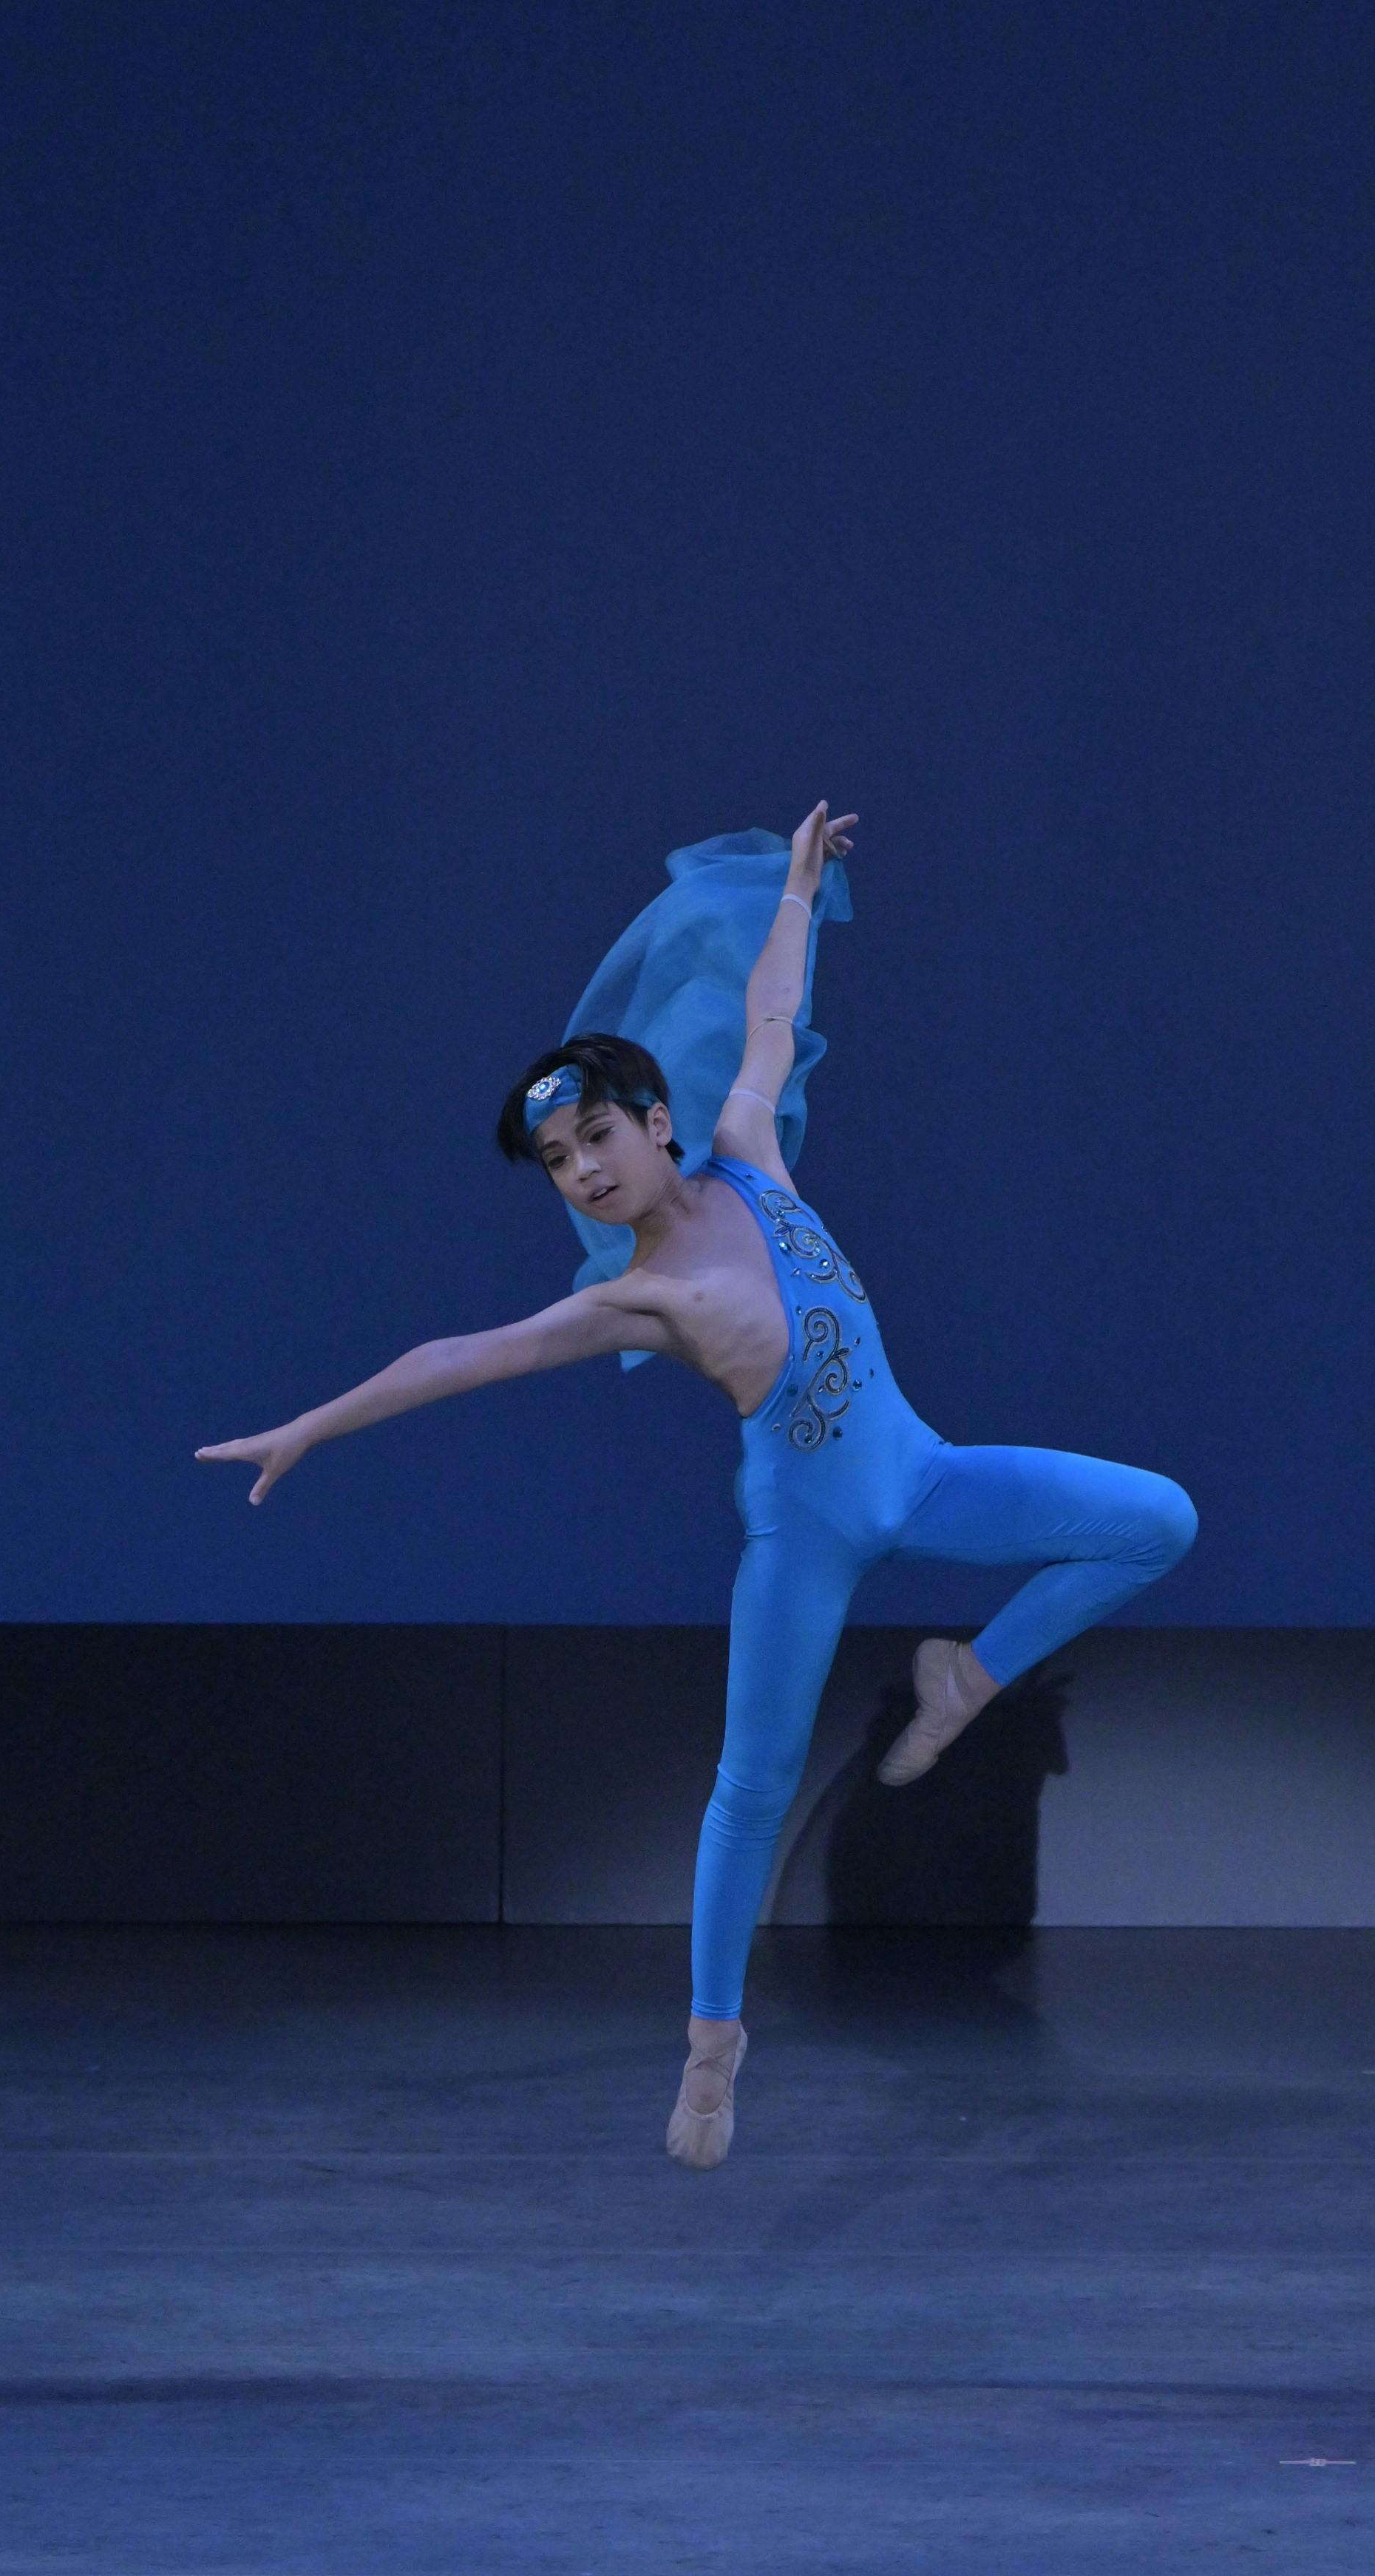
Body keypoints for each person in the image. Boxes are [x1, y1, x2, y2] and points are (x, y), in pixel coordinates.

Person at [197, 805, 1196, 2169]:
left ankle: (965, 1678)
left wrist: (798, 890)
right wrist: (310, 1427)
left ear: (657, 1122)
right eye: (561, 1163)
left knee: (1156, 1522)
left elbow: (772, 1009)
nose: (584, 1172)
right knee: (753, 1786)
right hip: (805, 1538)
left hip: (924, 1476)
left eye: (596, 1136)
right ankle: (713, 2045)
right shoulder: (643, 1298)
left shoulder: (752, 1145)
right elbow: (463, 1356)